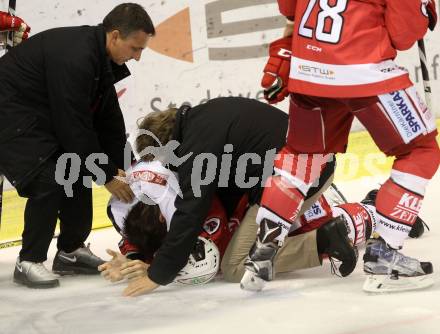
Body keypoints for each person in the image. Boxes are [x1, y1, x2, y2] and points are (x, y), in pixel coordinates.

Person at [241, 0, 439, 293]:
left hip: (309, 69)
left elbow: (289, 8)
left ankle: (262, 253)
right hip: (363, 70)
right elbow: (402, 35)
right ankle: (384, 257)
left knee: (300, 158)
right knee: (421, 151)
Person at [106, 97, 360, 296]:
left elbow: (190, 214)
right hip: (308, 168)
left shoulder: (196, 150)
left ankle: (323, 241)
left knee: (235, 266)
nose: (169, 169)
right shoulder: (205, 117)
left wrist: (157, 274)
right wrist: (136, 257)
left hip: (298, 181)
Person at [0, 3, 154, 288]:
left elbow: (108, 118)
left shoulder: (101, 57)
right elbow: (74, 124)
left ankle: (70, 251)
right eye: (135, 49)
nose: (138, 57)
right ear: (115, 36)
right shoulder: (77, 57)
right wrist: (106, 174)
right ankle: (29, 261)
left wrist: (126, 164)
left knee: (78, 170)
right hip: (9, 114)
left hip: (40, 114)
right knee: (48, 178)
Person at [99, 157, 427, 287]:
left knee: (243, 262)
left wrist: (155, 268)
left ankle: (373, 212)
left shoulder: (194, 206)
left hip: (266, 193)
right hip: (250, 188)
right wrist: (132, 258)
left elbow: (214, 256)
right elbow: (134, 236)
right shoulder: (123, 207)